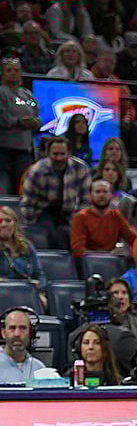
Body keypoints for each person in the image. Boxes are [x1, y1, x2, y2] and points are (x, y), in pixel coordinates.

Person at [21, 136, 92, 250]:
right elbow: (27, 203)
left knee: (70, 233)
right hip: (43, 212)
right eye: (55, 154)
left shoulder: (81, 168)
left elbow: (86, 201)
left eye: (62, 154)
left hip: (70, 212)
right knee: (54, 235)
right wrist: (31, 225)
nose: (58, 158)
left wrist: (78, 220)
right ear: (48, 153)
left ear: (69, 153)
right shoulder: (37, 170)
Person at [0, 57, 41, 195]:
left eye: (16, 70)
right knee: (4, 185)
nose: (13, 73)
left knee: (21, 185)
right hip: (4, 149)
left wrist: (35, 122)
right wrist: (18, 121)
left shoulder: (28, 95)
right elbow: (2, 117)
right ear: (2, 73)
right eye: (9, 70)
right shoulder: (1, 93)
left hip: (24, 149)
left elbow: (36, 112)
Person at [70, 180, 137, 257]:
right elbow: (78, 250)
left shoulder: (115, 215)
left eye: (105, 192)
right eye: (97, 192)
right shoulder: (80, 217)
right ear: (90, 196)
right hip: (88, 264)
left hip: (111, 262)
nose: (101, 195)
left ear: (111, 195)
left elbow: (133, 239)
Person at [0, 205, 47, 292]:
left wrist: (39, 288)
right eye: (0, 221)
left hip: (28, 295)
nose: (3, 225)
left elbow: (39, 275)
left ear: (15, 223)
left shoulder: (27, 246)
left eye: (8, 221)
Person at [0, 307, 45, 384]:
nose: (17, 334)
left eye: (23, 328)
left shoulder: (40, 369)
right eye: (12, 328)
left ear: (31, 333)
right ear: (3, 333)